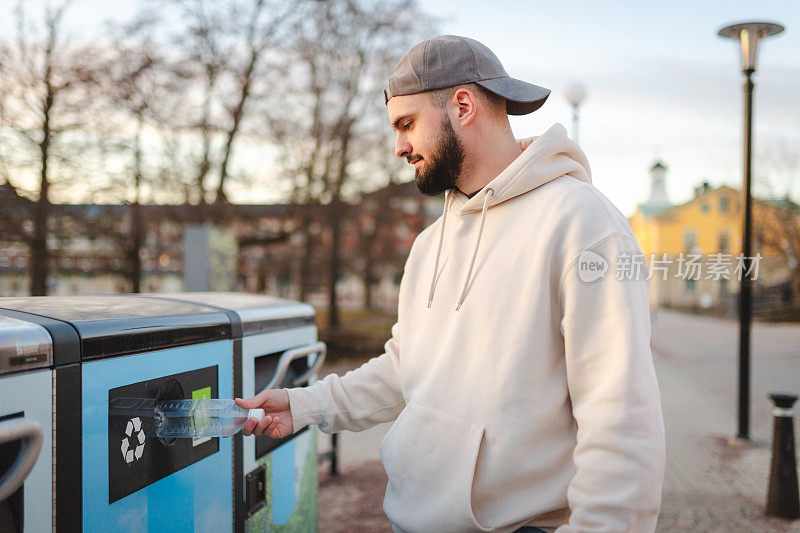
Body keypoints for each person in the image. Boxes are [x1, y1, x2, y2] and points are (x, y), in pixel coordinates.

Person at [236, 35, 665, 533]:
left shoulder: (583, 223)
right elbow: (409, 368)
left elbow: (621, 416)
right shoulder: (429, 245)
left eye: (406, 124)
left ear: (462, 105)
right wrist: (305, 404)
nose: (398, 147)